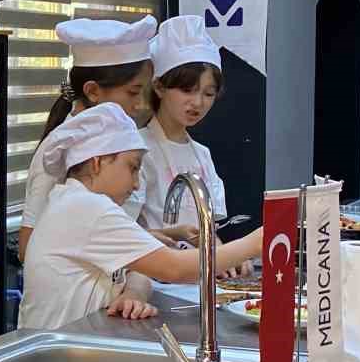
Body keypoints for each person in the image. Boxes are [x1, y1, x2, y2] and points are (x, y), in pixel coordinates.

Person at [20, 103, 265, 330]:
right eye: (133, 167)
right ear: (97, 162)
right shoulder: (87, 207)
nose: (137, 184)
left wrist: (133, 293)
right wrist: (255, 243)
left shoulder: (76, 200)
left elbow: (138, 271)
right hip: (56, 353)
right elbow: (175, 268)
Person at [19, 15, 159, 257]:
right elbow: (28, 246)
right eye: (133, 92)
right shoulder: (63, 146)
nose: (139, 105)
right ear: (93, 91)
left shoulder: (118, 138)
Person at [140, 15, 228, 236]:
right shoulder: (137, 149)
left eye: (208, 93)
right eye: (187, 90)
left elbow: (210, 234)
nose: (198, 103)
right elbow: (122, 232)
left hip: (196, 267)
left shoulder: (202, 155)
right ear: (159, 87)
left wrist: (227, 257)